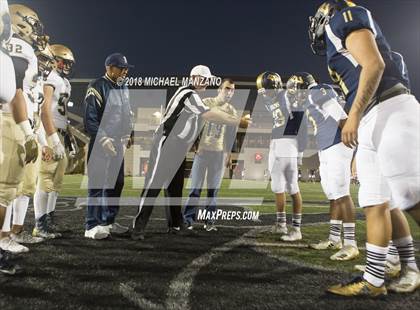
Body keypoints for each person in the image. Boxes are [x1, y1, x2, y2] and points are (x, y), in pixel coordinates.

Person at [309, 0, 420, 296]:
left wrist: (354, 115)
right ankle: (374, 280)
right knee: (375, 200)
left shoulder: (341, 20)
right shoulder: (340, 42)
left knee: (411, 195)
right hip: (373, 118)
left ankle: (406, 267)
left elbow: (375, 64)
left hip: (388, 110)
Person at [131, 65, 251, 241]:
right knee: (153, 184)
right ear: (194, 78)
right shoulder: (188, 93)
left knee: (175, 186)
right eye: (204, 78)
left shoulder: (194, 96)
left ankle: (176, 225)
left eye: (208, 79)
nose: (207, 82)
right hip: (166, 142)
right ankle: (138, 227)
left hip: (177, 145)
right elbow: (209, 115)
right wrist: (238, 121)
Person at [285, 72, 359, 261]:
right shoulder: (313, 95)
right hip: (327, 146)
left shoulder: (316, 91)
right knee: (333, 195)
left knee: (342, 194)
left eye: (295, 90)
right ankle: (335, 239)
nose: (295, 94)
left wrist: (353, 144)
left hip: (337, 144)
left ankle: (351, 244)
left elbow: (341, 115)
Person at [0, 2, 42, 274]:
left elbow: (14, 93)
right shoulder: (19, 51)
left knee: (5, 191)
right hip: (6, 122)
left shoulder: (4, 55)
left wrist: (28, 132)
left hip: (16, 119)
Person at [83, 53, 134, 239]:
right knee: (96, 184)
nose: (125, 71)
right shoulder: (96, 86)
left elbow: (126, 113)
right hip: (100, 143)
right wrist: (103, 140)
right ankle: (91, 225)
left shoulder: (123, 87)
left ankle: (108, 222)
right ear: (109, 68)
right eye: (122, 68)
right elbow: (90, 119)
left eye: (126, 68)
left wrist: (128, 133)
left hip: (118, 143)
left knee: (117, 183)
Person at [257, 71, 307, 242]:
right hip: (275, 143)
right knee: (277, 186)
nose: (263, 92)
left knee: (292, 187)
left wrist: (300, 151)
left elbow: (301, 121)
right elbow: (276, 114)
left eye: (265, 89)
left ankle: (297, 229)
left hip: (289, 143)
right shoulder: (272, 99)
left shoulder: (288, 96)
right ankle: (281, 224)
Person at [183, 78, 237, 231]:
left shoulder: (231, 110)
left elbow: (230, 134)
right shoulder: (206, 102)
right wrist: (195, 144)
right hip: (203, 151)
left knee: (213, 191)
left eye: (232, 90)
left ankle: (210, 222)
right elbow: (193, 123)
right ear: (219, 90)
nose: (229, 92)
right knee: (195, 189)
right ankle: (188, 220)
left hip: (219, 154)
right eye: (227, 88)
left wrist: (229, 153)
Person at [33, 43, 75, 239]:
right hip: (50, 133)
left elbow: (62, 113)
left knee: (57, 182)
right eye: (63, 61)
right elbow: (44, 111)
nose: (66, 65)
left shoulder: (66, 83)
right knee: (46, 179)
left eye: (68, 63)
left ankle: (49, 220)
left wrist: (69, 136)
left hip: (61, 132)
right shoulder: (50, 79)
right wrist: (52, 139)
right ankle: (39, 224)